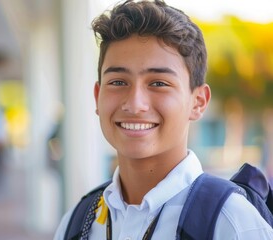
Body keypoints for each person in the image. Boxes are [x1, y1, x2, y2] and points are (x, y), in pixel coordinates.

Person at [54, 0, 273, 239]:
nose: (135, 104)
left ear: (198, 101)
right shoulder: (78, 221)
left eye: (159, 83)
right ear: (97, 97)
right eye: (118, 82)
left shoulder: (232, 222)